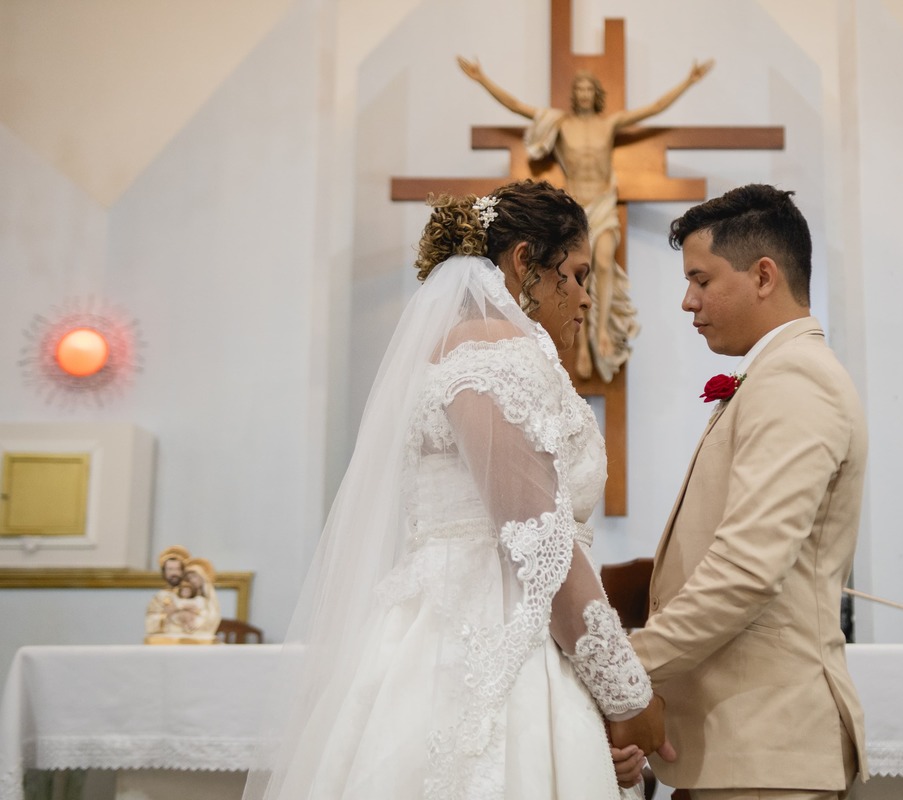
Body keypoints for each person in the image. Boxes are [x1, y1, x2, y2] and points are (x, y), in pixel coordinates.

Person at [242, 180, 670, 800]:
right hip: (487, 640)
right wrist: (628, 694)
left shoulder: (473, 351)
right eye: (577, 275)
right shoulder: (494, 353)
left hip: (488, 633)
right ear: (524, 262)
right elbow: (540, 544)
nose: (585, 298)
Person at [626, 185, 868, 800]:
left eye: (701, 279)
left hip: (766, 744)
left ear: (763, 276)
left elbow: (746, 571)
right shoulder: (775, 374)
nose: (688, 300)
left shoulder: (796, 379)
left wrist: (625, 664)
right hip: (740, 742)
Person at [457, 57, 713, 382]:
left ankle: (601, 332)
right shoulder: (561, 124)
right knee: (574, 278)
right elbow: (517, 106)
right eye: (578, 89)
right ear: (574, 94)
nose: (583, 94)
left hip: (603, 205)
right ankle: (582, 348)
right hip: (576, 210)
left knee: (602, 264)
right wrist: (482, 78)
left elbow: (653, 109)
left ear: (596, 94)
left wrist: (688, 81)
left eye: (588, 89)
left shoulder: (609, 124)